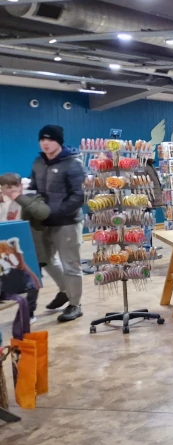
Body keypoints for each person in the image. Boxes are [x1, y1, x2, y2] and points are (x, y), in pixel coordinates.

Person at [30, 125, 86, 322]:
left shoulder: (73, 164)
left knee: (70, 264)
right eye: (42, 139)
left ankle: (75, 304)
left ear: (59, 142)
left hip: (67, 222)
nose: (45, 143)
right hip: (43, 221)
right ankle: (65, 290)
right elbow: (33, 188)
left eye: (50, 139)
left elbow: (79, 196)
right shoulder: (38, 162)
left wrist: (55, 212)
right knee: (45, 260)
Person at [0, 173, 51, 321]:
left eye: (16, 186)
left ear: (21, 186)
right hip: (4, 248)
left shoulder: (31, 199)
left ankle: (29, 312)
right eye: (8, 187)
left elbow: (43, 213)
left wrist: (19, 197)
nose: (12, 190)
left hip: (29, 247)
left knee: (31, 282)